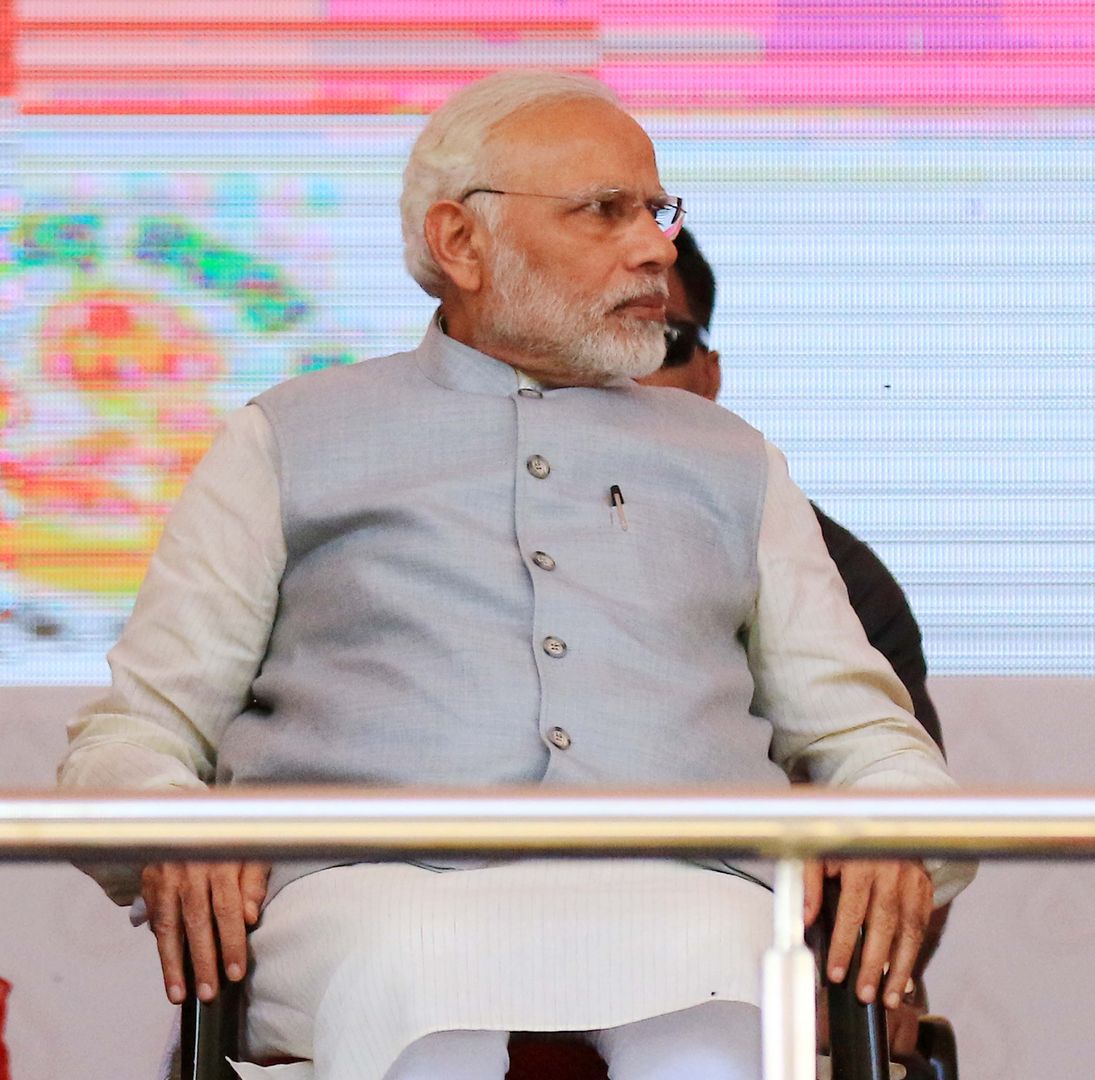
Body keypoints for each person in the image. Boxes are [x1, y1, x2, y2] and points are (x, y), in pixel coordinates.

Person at [57, 70, 971, 1080]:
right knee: (411, 984)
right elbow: (134, 736)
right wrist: (175, 832)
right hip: (369, 892)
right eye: (606, 212)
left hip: (692, 889)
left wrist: (899, 837)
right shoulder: (285, 439)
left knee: (722, 1005)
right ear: (460, 244)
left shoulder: (734, 458)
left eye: (659, 212)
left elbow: (865, 736)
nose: (657, 250)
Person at [640, 228, 947, 1068]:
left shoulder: (839, 576)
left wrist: (861, 971)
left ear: (710, 372)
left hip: (741, 959)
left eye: (661, 339)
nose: (630, 373)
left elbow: (892, 804)